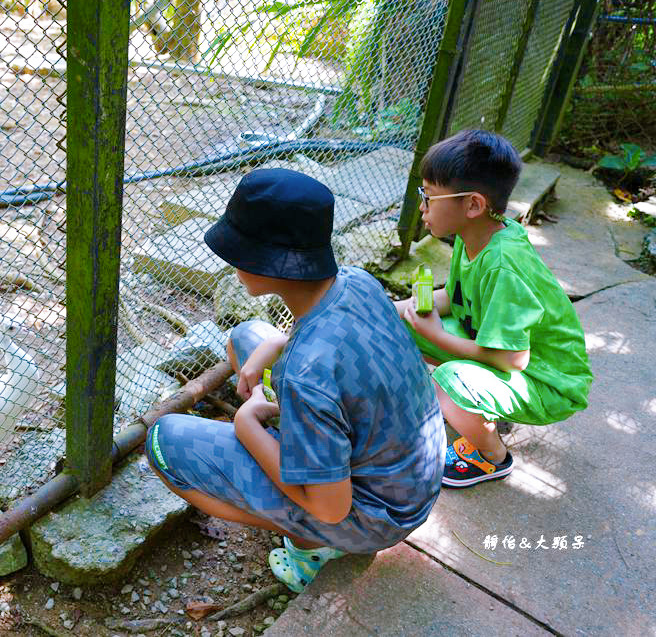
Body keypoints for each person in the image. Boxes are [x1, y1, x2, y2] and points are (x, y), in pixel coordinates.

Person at [145, 168, 445, 593]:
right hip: (413, 478)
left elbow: (330, 507)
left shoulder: (306, 375)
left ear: (271, 261)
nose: (232, 262)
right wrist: (276, 345)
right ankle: (303, 467)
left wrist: (247, 426)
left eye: (240, 251)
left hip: (373, 516)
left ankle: (310, 549)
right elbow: (335, 343)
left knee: (164, 440)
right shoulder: (357, 281)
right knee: (247, 337)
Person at [395, 129, 592, 489]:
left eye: (429, 196)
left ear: (472, 205)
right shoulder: (474, 236)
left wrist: (435, 335)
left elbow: (512, 359)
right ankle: (481, 403)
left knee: (447, 381)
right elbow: (453, 299)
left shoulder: (504, 264)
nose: (422, 206)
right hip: (510, 359)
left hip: (546, 381)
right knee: (406, 324)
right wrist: (393, 309)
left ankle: (491, 457)